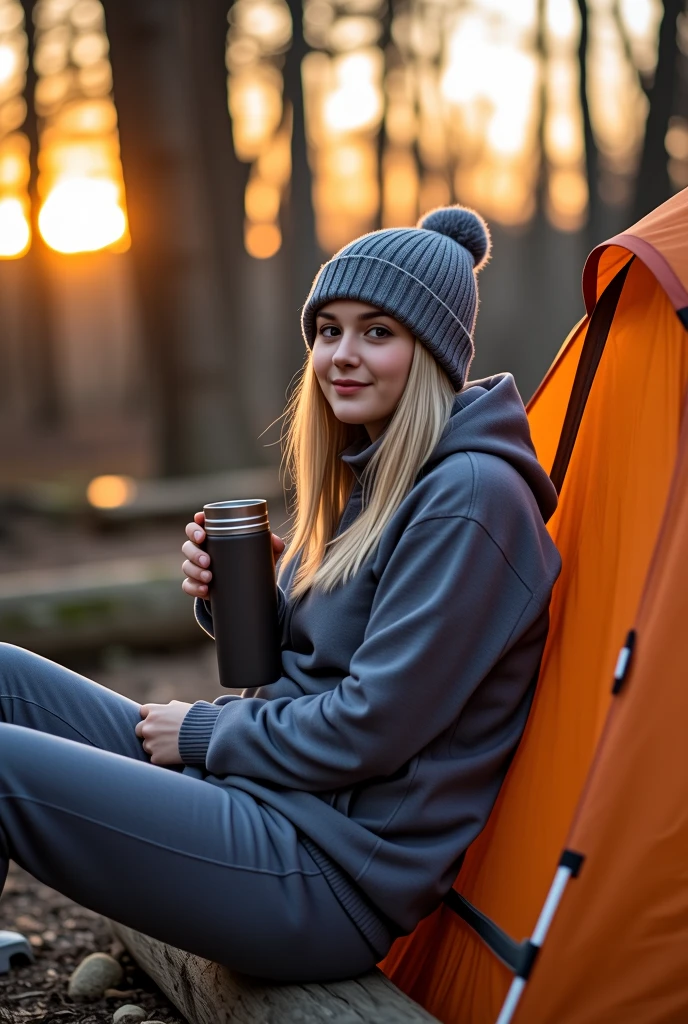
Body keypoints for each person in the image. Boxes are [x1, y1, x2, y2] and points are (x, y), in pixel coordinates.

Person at [0, 206, 561, 982]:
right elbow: (306, 671)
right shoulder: (377, 478)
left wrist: (200, 735)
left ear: (432, 351)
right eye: (328, 330)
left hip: (322, 876)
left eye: (377, 332)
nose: (342, 355)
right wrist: (253, 602)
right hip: (268, 802)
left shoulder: (470, 498)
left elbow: (371, 728)